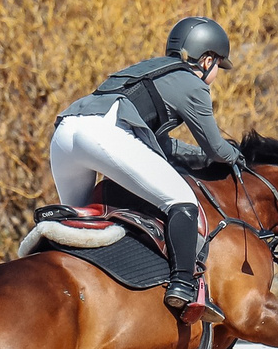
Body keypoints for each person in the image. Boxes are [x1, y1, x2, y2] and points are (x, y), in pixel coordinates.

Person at [49, 16, 243, 313]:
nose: (217, 72)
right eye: (218, 64)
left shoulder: (149, 70)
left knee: (80, 224)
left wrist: (202, 156)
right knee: (182, 201)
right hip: (104, 135)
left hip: (65, 133)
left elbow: (163, 146)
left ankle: (66, 288)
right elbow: (216, 147)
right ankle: (182, 285)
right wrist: (235, 155)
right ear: (206, 60)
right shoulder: (193, 84)